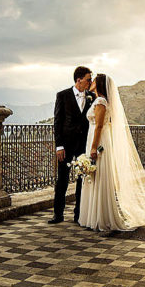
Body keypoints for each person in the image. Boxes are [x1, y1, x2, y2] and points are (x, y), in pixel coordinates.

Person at [77, 73, 145, 233]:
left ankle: (102, 217)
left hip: (98, 141)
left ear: (99, 84)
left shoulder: (100, 101)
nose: (91, 82)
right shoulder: (98, 100)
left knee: (99, 177)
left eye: (94, 80)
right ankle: (94, 216)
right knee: (95, 177)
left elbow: (99, 126)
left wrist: (94, 147)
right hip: (95, 139)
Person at [51, 66, 94, 224]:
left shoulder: (92, 96)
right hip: (66, 145)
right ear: (79, 80)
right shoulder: (62, 95)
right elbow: (58, 121)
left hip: (84, 146)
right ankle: (58, 214)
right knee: (62, 179)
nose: (90, 82)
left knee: (82, 179)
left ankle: (78, 215)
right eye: (88, 79)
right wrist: (59, 146)